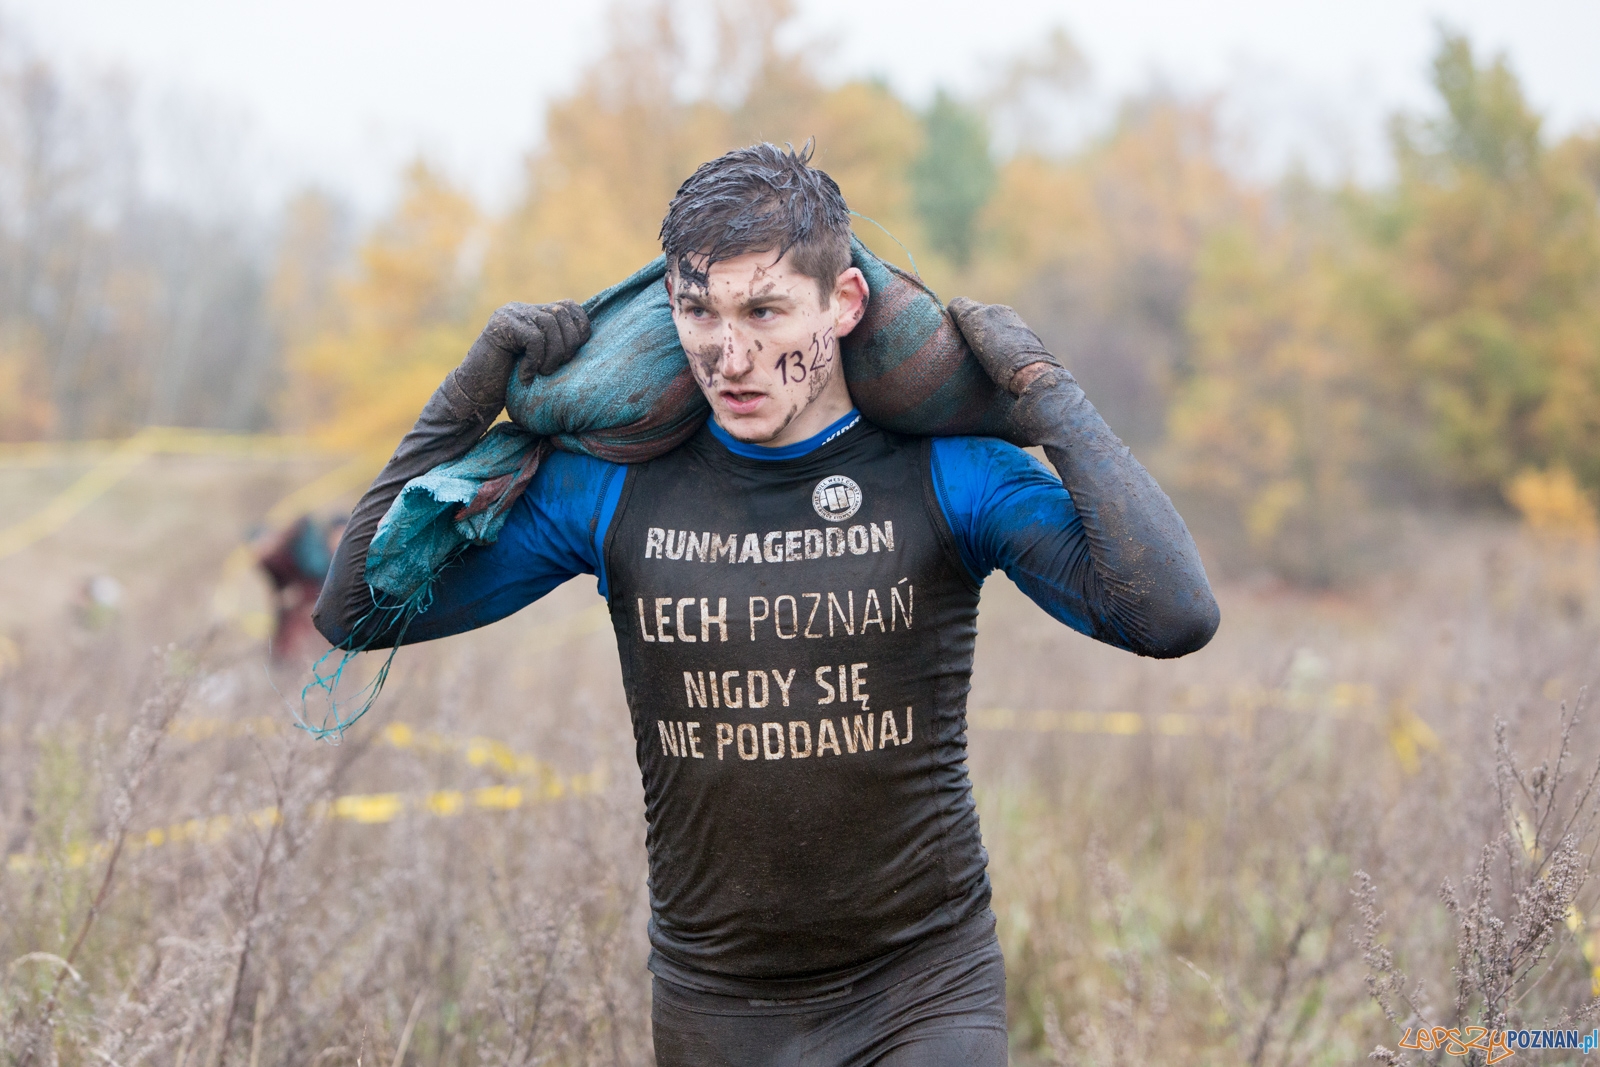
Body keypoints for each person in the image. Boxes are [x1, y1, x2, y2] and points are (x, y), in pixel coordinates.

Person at [315, 142, 1218, 1066]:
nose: (731, 355)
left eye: (764, 310)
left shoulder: (950, 474)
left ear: (845, 302)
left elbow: (1173, 614)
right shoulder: (613, 488)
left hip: (925, 991)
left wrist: (1047, 397)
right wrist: (465, 396)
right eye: (698, 312)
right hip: (715, 1006)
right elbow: (353, 610)